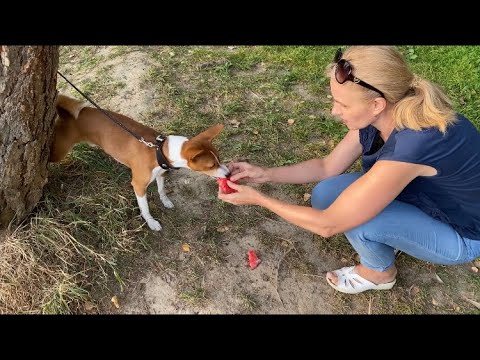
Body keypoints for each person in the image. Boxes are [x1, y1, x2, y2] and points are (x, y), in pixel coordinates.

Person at [218, 46, 480, 294]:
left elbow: (329, 225)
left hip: (462, 234)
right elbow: (327, 167)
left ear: (376, 104)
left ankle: (379, 274)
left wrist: (259, 199)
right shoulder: (389, 109)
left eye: (342, 104)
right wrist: (266, 174)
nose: (334, 111)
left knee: (358, 219)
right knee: (326, 194)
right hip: (425, 198)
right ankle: (398, 233)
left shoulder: (413, 145)